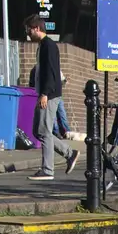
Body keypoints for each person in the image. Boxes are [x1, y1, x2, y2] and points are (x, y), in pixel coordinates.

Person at [24, 14, 79, 180]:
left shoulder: (48, 46)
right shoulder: (43, 45)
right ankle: (69, 153)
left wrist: (45, 93)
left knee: (44, 131)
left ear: (37, 28)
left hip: (49, 94)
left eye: (29, 30)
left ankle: (47, 170)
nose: (28, 34)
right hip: (45, 93)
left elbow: (51, 72)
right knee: (38, 130)